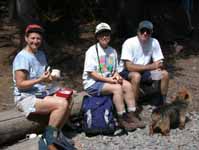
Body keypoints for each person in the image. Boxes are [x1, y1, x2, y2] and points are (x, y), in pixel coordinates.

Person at [12, 24, 71, 150]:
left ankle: (56, 135)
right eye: (32, 38)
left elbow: (43, 79)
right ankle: (49, 141)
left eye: (38, 38)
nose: (35, 41)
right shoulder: (22, 58)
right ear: (26, 38)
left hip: (40, 93)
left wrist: (51, 78)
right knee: (61, 104)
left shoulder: (40, 55)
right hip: (25, 97)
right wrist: (40, 79)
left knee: (68, 97)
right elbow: (20, 84)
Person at [82, 22, 145, 131]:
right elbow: (91, 73)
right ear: (97, 37)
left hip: (108, 80)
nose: (105, 37)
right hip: (93, 83)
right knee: (117, 88)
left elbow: (115, 70)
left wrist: (117, 77)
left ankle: (132, 114)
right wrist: (110, 80)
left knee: (127, 85)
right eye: (101, 34)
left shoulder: (112, 51)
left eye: (107, 34)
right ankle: (121, 118)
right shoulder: (91, 51)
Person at [119, 20, 169, 105]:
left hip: (145, 73)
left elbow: (160, 63)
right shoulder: (129, 43)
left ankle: (162, 103)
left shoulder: (154, 42)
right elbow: (129, 66)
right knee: (136, 76)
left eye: (148, 31)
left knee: (164, 74)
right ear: (138, 31)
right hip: (126, 72)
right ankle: (133, 107)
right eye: (142, 31)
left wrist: (157, 66)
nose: (145, 33)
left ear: (151, 32)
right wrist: (151, 66)